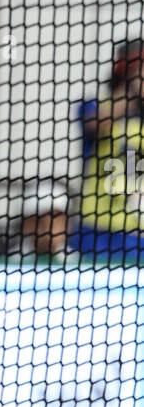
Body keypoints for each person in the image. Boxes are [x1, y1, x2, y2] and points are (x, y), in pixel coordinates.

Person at [71, 39, 144, 260]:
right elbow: (96, 123)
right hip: (96, 228)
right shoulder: (95, 104)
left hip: (136, 231)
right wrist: (130, 91)